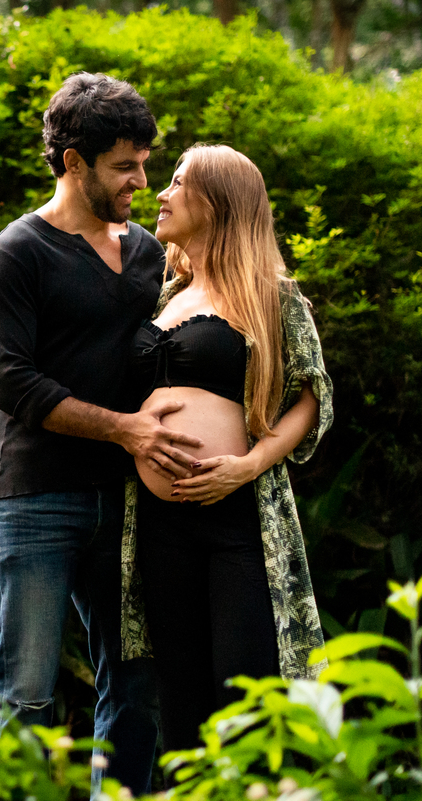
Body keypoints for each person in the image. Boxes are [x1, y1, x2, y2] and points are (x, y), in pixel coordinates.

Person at [0, 72, 205, 796]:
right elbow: (11, 384)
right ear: (73, 162)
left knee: (138, 689)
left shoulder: (146, 253)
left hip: (129, 503)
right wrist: (127, 431)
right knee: (28, 693)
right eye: (125, 165)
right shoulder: (14, 255)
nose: (143, 179)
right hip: (32, 501)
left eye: (145, 163)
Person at [120, 144, 334, 755]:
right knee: (182, 709)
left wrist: (247, 465)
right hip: (161, 528)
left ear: (216, 202)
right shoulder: (164, 298)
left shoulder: (269, 295)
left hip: (237, 525)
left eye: (178, 182)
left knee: (245, 702)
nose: (160, 193)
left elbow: (313, 396)